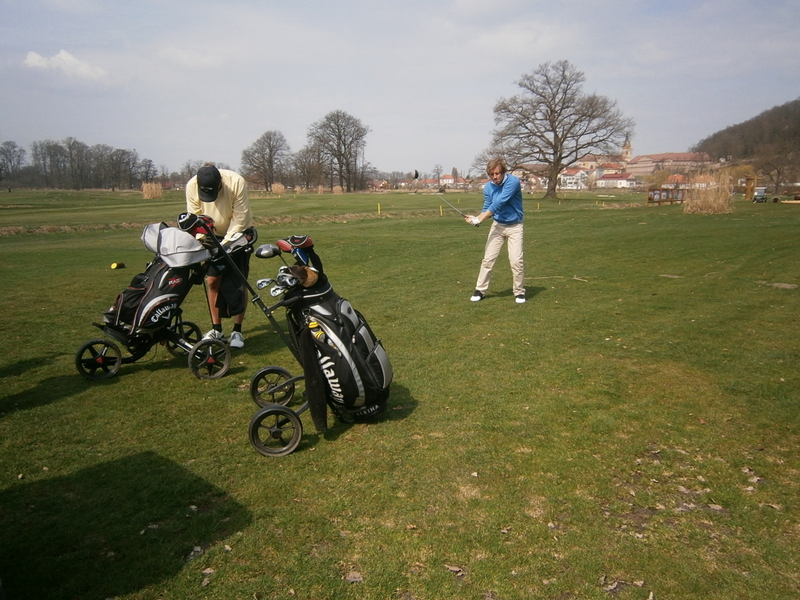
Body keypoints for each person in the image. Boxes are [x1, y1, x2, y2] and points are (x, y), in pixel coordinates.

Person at [186, 164, 253, 348]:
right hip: (210, 235)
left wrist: (224, 246)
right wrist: (202, 240)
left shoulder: (236, 182)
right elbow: (195, 217)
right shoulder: (192, 185)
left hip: (238, 234)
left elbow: (239, 218)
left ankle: (237, 331)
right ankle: (217, 329)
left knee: (239, 282)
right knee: (212, 281)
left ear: (220, 184)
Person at [465, 158, 525, 304]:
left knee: (516, 261)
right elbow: (488, 206)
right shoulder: (488, 187)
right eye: (492, 174)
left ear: (503, 172)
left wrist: (480, 219)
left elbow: (499, 203)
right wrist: (476, 218)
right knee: (488, 260)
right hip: (498, 226)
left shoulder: (513, 182)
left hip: (515, 227)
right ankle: (480, 290)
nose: (495, 177)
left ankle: (519, 292)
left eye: (497, 173)